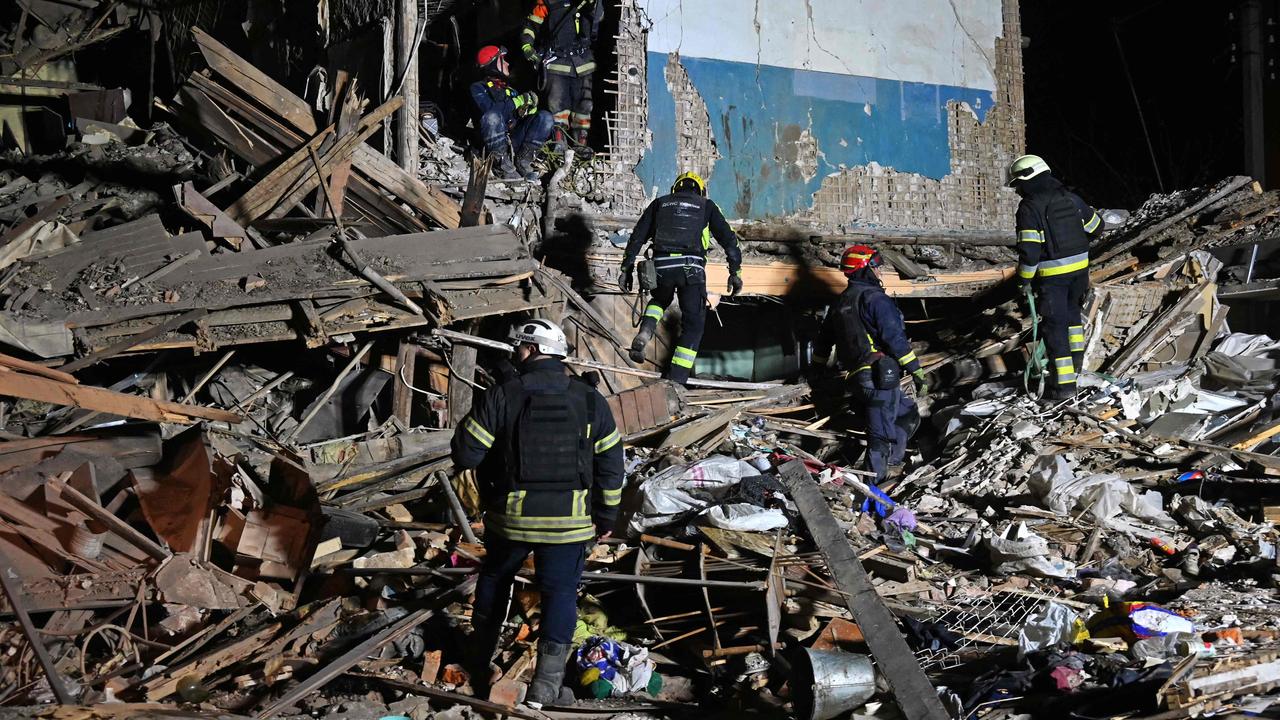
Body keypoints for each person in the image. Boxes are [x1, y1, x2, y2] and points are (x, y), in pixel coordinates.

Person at [451, 318, 623, 707]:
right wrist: (607, 515)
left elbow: (466, 454)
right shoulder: (590, 399)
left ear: (530, 350)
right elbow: (611, 462)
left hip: (511, 519)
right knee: (560, 591)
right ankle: (545, 688)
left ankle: (478, 662)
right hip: (570, 522)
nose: (515, 354)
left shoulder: (503, 393)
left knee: (495, 578)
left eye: (518, 348)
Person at [814, 245, 926, 483]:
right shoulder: (875, 299)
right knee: (880, 436)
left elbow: (823, 343)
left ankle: (893, 464)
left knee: (908, 413)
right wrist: (916, 370)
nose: (880, 272)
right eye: (876, 267)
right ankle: (873, 490)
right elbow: (894, 338)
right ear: (864, 269)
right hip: (878, 379)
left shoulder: (840, 303)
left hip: (857, 379)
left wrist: (816, 372)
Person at [618, 171, 743, 385]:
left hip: (661, 266)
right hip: (691, 268)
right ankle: (676, 382)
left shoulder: (659, 204)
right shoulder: (707, 205)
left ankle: (645, 332)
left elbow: (637, 236)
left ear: (676, 188)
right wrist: (735, 273)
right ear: (700, 190)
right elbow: (729, 240)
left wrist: (626, 268)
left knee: (659, 300)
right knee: (693, 326)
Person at [1007, 154, 1104, 399]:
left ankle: (1064, 388)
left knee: (1055, 329)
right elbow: (1097, 228)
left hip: (1053, 280)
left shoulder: (1029, 208)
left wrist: (1023, 281)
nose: (1018, 191)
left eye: (1018, 185)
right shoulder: (1071, 199)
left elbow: (1029, 253)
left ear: (1027, 180)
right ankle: (1077, 369)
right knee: (1073, 319)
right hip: (1080, 274)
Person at [520, 0, 603, 150]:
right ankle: (559, 143)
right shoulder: (546, 2)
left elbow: (598, 18)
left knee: (584, 106)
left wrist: (593, 4)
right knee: (557, 106)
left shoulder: (589, 3)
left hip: (583, 63)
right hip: (557, 63)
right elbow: (531, 26)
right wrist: (527, 46)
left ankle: (580, 146)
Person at [470, 45, 555, 180]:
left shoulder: (510, 90)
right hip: (491, 144)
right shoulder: (478, 88)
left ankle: (524, 161)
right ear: (492, 64)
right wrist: (518, 101)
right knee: (492, 116)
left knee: (545, 117)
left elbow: (514, 115)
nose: (507, 63)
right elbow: (491, 112)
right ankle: (501, 165)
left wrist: (528, 111)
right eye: (503, 60)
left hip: (513, 141)